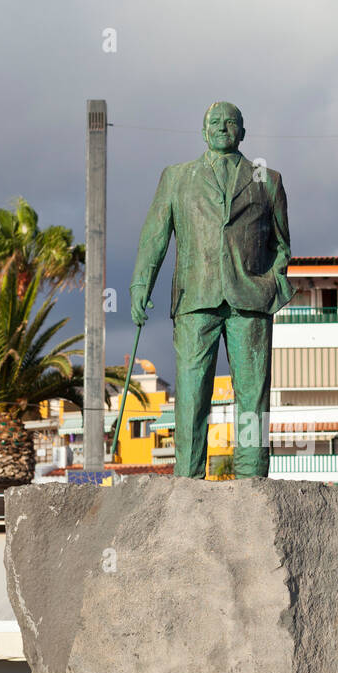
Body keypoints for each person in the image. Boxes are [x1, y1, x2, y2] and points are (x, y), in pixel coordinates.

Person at [129, 101, 293, 479]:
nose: (222, 128)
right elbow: (154, 237)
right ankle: (187, 476)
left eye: (230, 122)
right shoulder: (176, 177)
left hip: (250, 299)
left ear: (243, 132)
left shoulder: (267, 179)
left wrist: (271, 283)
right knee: (190, 394)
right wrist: (141, 284)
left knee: (253, 397)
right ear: (203, 131)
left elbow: (282, 244)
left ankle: (253, 473)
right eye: (214, 123)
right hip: (194, 298)